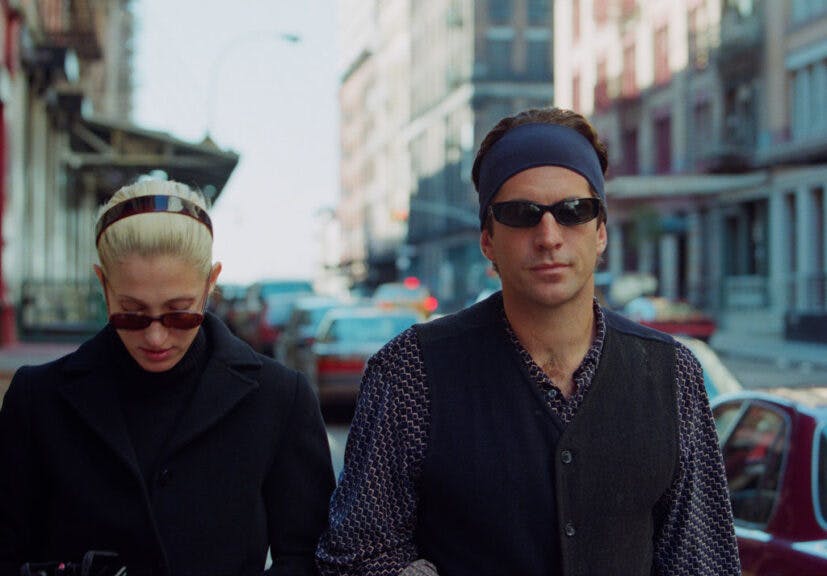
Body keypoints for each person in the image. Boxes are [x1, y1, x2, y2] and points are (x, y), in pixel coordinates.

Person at [316, 107, 741, 575]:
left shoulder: (670, 373)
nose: (549, 236)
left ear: (600, 231)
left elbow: (703, 562)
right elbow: (355, 557)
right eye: (521, 214)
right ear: (487, 240)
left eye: (573, 211)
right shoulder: (411, 372)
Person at [0, 180, 335, 576]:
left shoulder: (280, 398)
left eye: (179, 313)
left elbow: (311, 557)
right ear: (103, 285)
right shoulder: (37, 398)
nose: (156, 336)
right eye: (132, 314)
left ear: (210, 284)